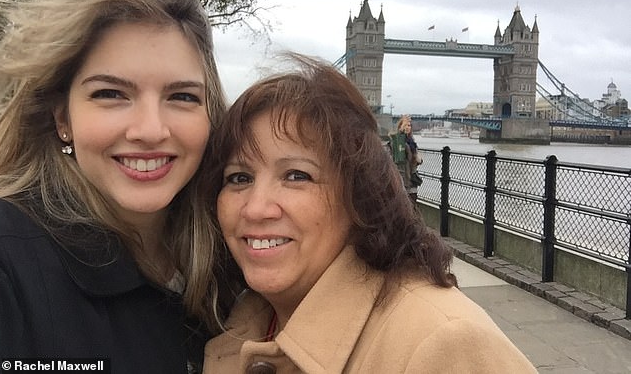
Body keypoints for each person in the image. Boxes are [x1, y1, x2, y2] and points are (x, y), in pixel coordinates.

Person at [201, 55, 537, 373]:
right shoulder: (243, 319)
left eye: (296, 176)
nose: (256, 208)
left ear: (358, 195)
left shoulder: (445, 345)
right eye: (239, 178)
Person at [0, 0, 242, 373]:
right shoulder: (8, 266)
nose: (150, 130)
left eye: (182, 96)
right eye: (111, 94)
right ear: (62, 118)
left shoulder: (238, 254)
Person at [389, 114, 423, 192]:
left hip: (411, 178)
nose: (408, 127)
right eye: (405, 125)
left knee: (412, 200)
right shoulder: (397, 141)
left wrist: (419, 160)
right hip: (401, 178)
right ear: (400, 127)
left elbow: (415, 160)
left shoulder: (412, 142)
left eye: (409, 125)